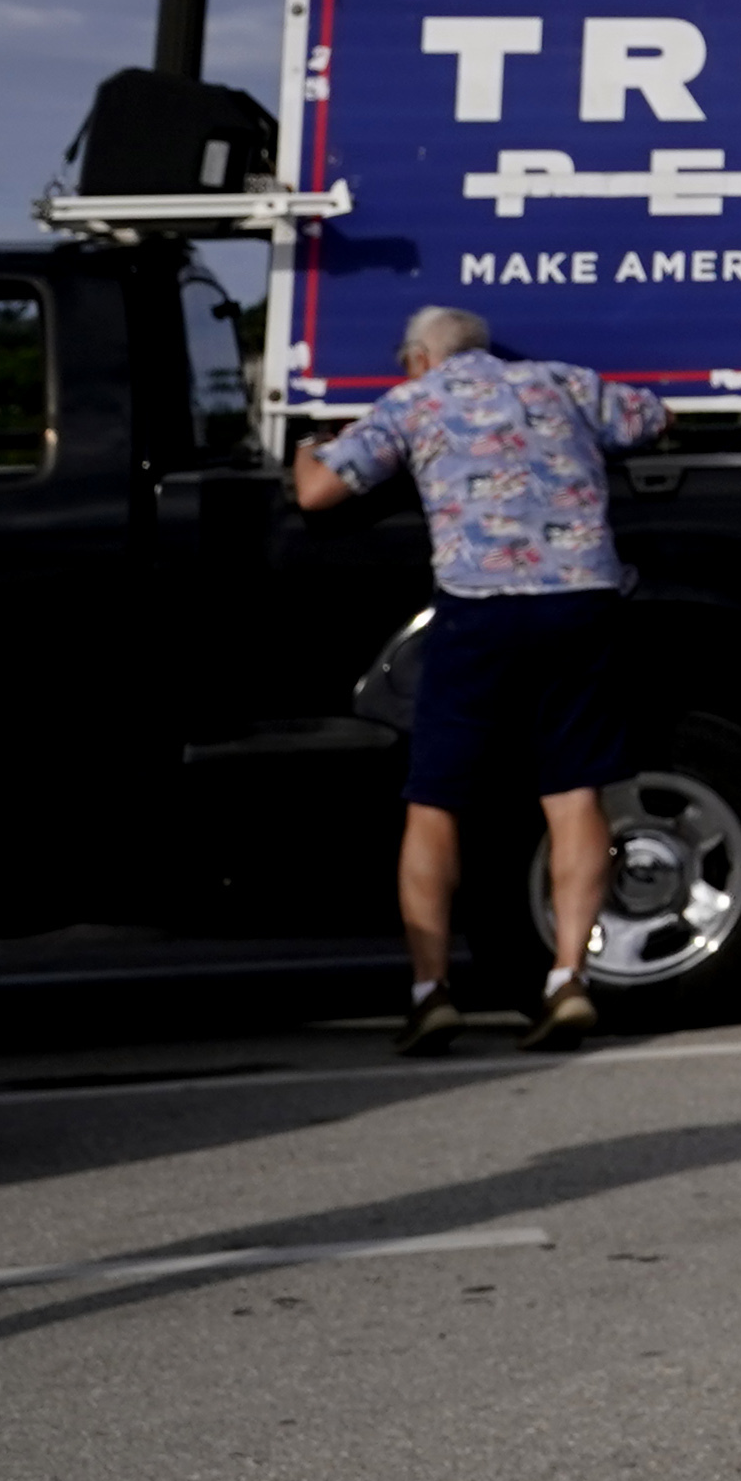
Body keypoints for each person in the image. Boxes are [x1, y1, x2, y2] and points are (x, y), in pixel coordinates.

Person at [287, 304, 664, 1053]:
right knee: (572, 792)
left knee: (435, 801)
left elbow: (318, 493)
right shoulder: (561, 381)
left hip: (479, 611)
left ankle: (431, 993)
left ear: (421, 358)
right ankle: (567, 981)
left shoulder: (414, 400)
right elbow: (652, 416)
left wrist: (306, 447)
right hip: (581, 599)